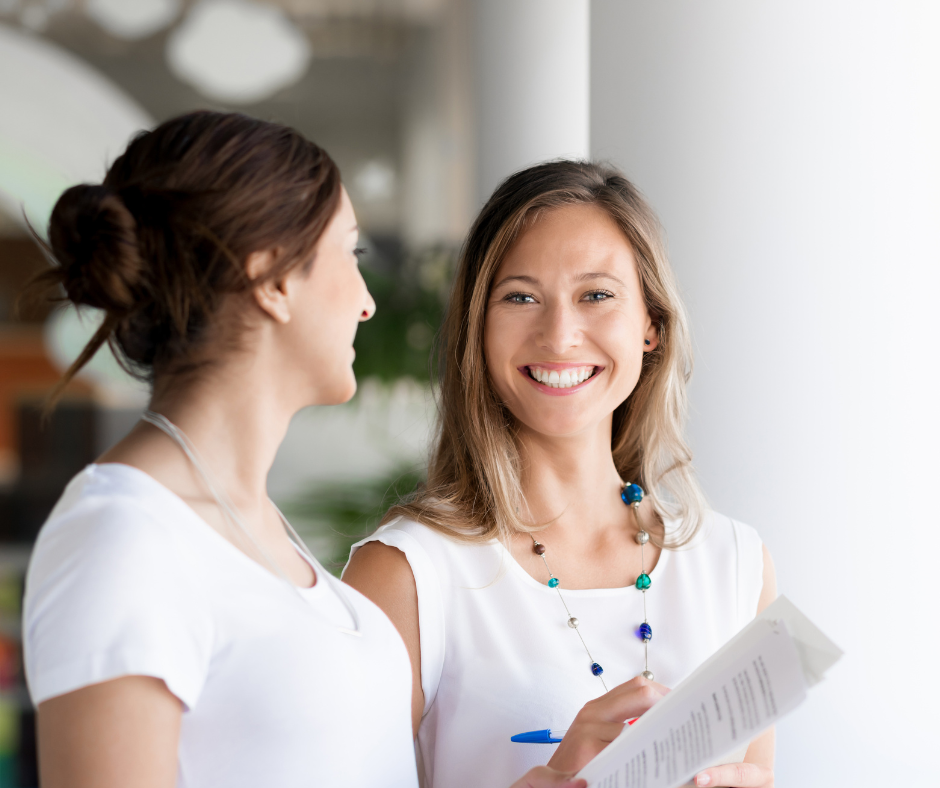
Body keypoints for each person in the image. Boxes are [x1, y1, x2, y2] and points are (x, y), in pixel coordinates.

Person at [21, 113, 637, 788]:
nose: (368, 303)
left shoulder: (255, 531)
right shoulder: (124, 534)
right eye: (351, 255)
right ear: (274, 280)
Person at [343, 161, 778, 788]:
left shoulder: (735, 564)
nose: (560, 335)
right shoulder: (408, 574)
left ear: (652, 325)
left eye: (596, 295)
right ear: (478, 330)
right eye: (520, 297)